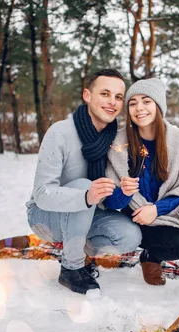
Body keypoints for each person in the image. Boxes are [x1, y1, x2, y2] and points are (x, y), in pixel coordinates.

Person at [104, 78, 179, 307]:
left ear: (158, 106)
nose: (139, 108)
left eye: (146, 101)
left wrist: (156, 209)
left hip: (168, 209)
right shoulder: (119, 143)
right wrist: (126, 193)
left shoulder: (178, 140)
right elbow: (110, 202)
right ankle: (151, 256)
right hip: (137, 217)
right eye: (133, 103)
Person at [26, 69, 142, 296]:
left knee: (130, 236)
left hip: (89, 213)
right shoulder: (60, 133)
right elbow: (41, 193)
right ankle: (71, 268)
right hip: (46, 216)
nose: (112, 102)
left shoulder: (115, 139)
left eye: (118, 97)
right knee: (83, 186)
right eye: (105, 94)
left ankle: (79, 247)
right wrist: (85, 196)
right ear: (87, 95)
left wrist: (124, 191)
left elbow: (108, 200)